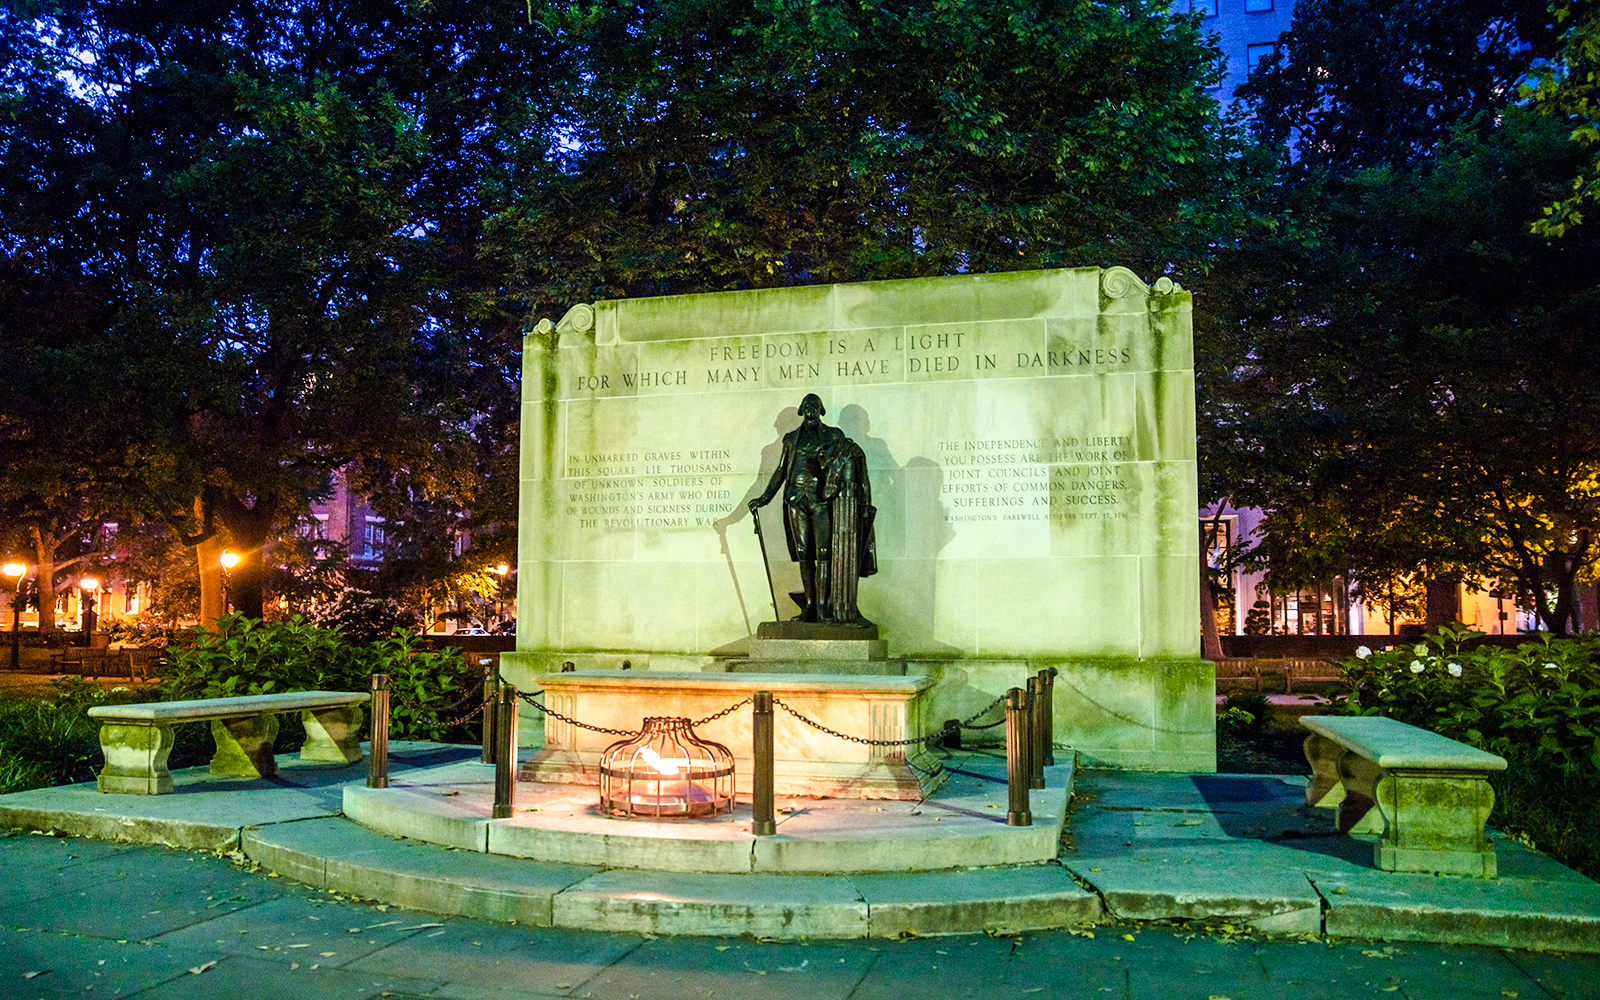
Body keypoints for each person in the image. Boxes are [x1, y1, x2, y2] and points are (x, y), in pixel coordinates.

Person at [749, 394, 876, 624]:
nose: (810, 408)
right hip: (796, 499)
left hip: (822, 500)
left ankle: (823, 607)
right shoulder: (790, 438)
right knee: (803, 553)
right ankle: (809, 605)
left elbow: (851, 456)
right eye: (807, 405)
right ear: (801, 409)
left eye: (814, 405)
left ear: (821, 409)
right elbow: (780, 471)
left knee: (825, 552)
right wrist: (765, 497)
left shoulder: (833, 435)